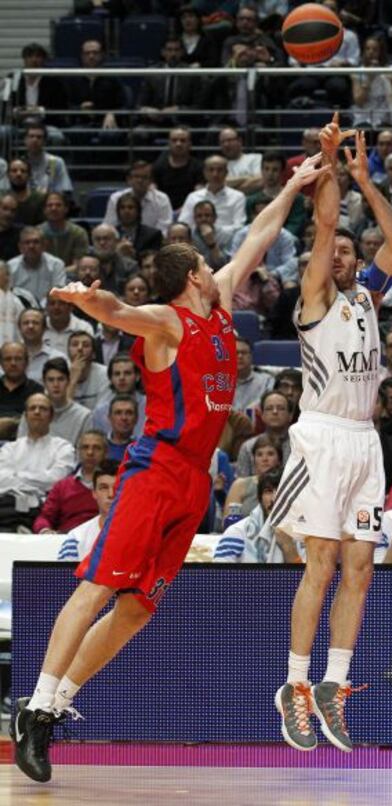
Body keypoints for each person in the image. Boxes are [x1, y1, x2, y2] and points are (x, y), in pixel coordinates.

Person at [10, 151, 327, 783]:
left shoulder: (213, 311)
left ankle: (60, 702)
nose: (219, 268)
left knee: (136, 608)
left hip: (193, 480)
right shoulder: (168, 322)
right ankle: (36, 705)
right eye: (208, 265)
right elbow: (119, 313)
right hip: (153, 471)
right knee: (97, 586)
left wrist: (294, 183)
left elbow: (260, 233)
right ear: (192, 278)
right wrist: (89, 298)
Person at [265, 117, 392, 753]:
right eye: (339, 250)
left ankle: (334, 685)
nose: (345, 255)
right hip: (322, 437)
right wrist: (329, 168)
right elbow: (324, 227)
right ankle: (294, 686)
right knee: (319, 564)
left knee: (361, 568)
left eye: (352, 250)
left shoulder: (369, 299)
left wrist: (364, 181)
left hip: (365, 441)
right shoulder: (315, 297)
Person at [0, 393, 75, 532]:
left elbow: (55, 481)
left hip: (44, 510)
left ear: (51, 416)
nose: (37, 412)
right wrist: (38, 483)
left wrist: (16, 476)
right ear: (26, 415)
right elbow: (1, 479)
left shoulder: (63, 447)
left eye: (43, 408)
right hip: (6, 510)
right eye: (32, 408)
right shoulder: (9, 448)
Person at [213, 469, 301, 563]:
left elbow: (311, 577)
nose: (275, 499)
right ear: (260, 498)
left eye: (281, 491)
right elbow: (219, 576)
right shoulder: (237, 534)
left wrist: (288, 547)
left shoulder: (305, 535)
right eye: (268, 491)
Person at [34, 430, 108, 535]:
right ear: (77, 452)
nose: (90, 452)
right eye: (85, 447)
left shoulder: (116, 484)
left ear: (106, 453)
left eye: (96, 448)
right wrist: (45, 531)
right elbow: (45, 517)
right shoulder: (62, 486)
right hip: (66, 540)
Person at [18, 357, 93, 446]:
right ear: (44, 383)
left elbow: (84, 453)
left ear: (68, 381)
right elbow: (20, 449)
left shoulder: (84, 416)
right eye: (51, 380)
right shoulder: (32, 413)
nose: (56, 385)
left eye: (61, 379)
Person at [57, 460, 119, 561]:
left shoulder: (144, 536)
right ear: (94, 493)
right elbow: (66, 577)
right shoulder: (76, 539)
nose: (111, 494)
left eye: (117, 487)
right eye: (104, 488)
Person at [8, 227, 66, 304]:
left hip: (49, 309)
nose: (31, 246)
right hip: (20, 310)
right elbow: (9, 295)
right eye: (27, 242)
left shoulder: (56, 264)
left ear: (44, 245)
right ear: (20, 247)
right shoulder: (10, 266)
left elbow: (58, 292)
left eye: (36, 242)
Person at [0, 341, 43, 439]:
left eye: (18, 359)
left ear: (27, 362)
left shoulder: (37, 391)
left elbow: (39, 422)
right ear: (1, 363)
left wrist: (11, 423)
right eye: (8, 359)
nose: (13, 363)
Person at [17, 308, 67, 383]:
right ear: (19, 328)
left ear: (44, 328)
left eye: (35, 323)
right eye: (26, 323)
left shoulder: (57, 357)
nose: (30, 326)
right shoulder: (7, 357)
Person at [106, 394, 138, 461]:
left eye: (129, 413)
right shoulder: (99, 446)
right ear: (109, 418)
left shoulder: (143, 448)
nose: (124, 418)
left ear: (136, 418)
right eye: (118, 413)